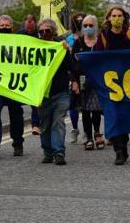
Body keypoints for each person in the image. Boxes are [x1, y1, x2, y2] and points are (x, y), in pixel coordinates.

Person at [95, 6, 130, 165]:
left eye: (119, 15)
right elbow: (97, 57)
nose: (116, 18)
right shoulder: (103, 36)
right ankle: (118, 151)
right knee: (112, 116)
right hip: (110, 83)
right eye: (113, 15)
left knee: (124, 116)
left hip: (128, 82)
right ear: (108, 18)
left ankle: (124, 144)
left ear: (124, 17)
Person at [0, 15, 25, 161]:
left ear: (12, 27)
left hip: (13, 86)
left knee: (16, 115)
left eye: (7, 26)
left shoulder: (18, 42)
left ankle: (18, 143)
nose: (4, 28)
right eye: (2, 26)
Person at [38, 18, 73, 165]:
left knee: (58, 122)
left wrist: (66, 51)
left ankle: (59, 153)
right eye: (41, 31)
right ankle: (48, 152)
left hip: (61, 92)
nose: (45, 33)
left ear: (54, 32)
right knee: (45, 125)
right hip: (43, 94)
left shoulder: (61, 47)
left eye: (48, 30)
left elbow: (72, 66)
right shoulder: (35, 48)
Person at [71, 15, 105, 151]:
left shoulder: (100, 42)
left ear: (95, 26)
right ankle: (88, 137)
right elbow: (72, 64)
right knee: (85, 110)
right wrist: (73, 81)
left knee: (96, 108)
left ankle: (97, 132)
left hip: (97, 78)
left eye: (91, 25)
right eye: (85, 26)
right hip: (82, 79)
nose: (88, 28)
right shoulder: (78, 43)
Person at [18, 14, 41, 135]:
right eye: (27, 21)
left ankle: (36, 124)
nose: (29, 23)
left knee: (35, 101)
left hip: (36, 72)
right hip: (22, 73)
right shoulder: (19, 35)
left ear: (35, 23)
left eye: (32, 21)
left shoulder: (40, 35)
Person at [67, 12, 85, 144]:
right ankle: (74, 128)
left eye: (82, 20)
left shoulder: (91, 38)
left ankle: (87, 130)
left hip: (86, 73)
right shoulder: (69, 39)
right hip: (72, 74)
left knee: (85, 104)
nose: (80, 22)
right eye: (78, 21)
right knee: (72, 104)